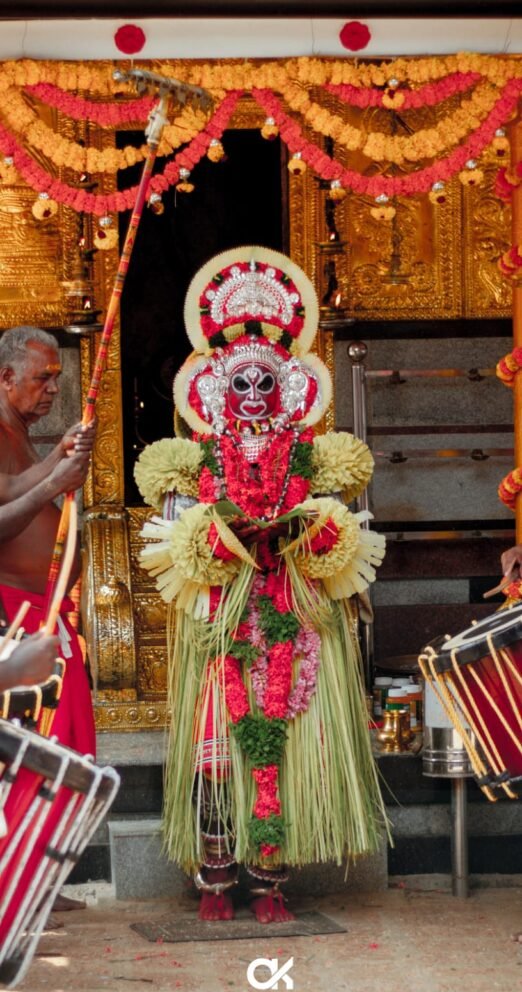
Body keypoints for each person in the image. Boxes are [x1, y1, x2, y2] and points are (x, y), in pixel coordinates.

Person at [135, 246, 388, 924]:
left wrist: (310, 534)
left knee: (286, 745)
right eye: (239, 385)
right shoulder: (192, 461)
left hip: (294, 616)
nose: (251, 397)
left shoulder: (317, 459)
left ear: (289, 387)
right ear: (217, 391)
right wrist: (219, 538)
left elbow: (348, 539)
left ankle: (270, 880)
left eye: (264, 384)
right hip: (221, 619)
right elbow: (173, 548)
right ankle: (214, 879)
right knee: (218, 754)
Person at [0, 325, 96, 756]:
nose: (55, 389)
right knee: (34, 761)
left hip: (42, 616)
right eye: (44, 377)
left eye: (57, 377)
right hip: (14, 620)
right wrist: (54, 483)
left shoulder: (16, 432)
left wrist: (60, 455)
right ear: (7, 378)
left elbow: (14, 486)